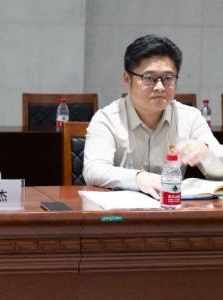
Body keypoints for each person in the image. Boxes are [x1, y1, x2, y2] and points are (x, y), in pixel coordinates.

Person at [83, 34, 223, 199]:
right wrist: (138, 178)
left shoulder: (190, 117)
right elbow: (94, 170)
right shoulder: (106, 119)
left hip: (173, 208)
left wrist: (206, 152)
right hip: (121, 209)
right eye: (149, 78)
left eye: (168, 78)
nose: (160, 87)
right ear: (127, 79)